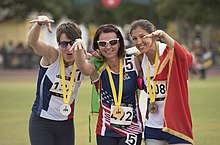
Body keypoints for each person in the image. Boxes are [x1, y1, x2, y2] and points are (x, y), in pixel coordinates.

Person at [72, 24, 143, 145]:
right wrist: (79, 46)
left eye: (113, 42)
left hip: (132, 127)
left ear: (120, 43)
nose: (108, 47)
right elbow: (83, 67)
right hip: (106, 129)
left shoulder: (134, 61)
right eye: (103, 43)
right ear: (97, 46)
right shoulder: (97, 66)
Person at [129, 19, 193, 145]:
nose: (139, 42)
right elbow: (112, 54)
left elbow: (185, 57)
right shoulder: (139, 57)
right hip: (153, 125)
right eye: (134, 38)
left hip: (176, 123)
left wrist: (163, 35)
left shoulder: (169, 52)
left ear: (153, 35)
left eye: (142, 36)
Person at [27, 15, 84, 145]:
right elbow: (32, 42)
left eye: (72, 43)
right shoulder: (52, 55)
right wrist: (39, 25)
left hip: (66, 123)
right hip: (42, 122)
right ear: (58, 44)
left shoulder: (83, 61)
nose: (69, 48)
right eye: (64, 44)